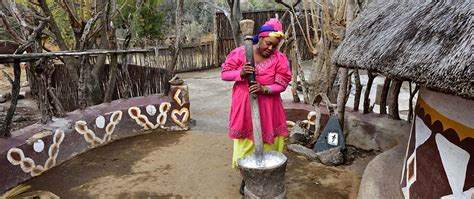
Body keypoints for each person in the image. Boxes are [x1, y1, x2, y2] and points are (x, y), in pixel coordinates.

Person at [220, 18, 291, 195]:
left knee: (269, 142)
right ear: (260, 37)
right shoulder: (240, 53)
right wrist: (241, 72)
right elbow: (225, 74)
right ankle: (247, 177)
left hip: (269, 107)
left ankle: (267, 175)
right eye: (268, 43)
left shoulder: (279, 59)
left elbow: (281, 84)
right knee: (246, 143)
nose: (270, 48)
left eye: (275, 46)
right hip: (245, 105)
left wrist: (265, 88)